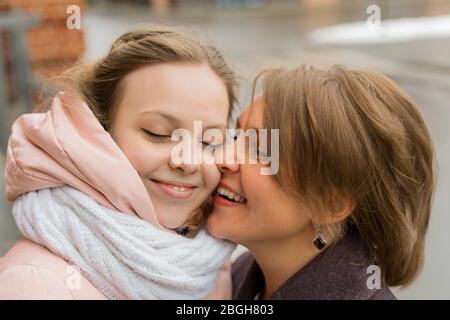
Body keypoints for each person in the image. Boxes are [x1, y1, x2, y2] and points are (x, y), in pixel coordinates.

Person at [0, 27, 237, 300]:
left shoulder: (206, 261)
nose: (189, 162)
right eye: (157, 133)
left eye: (210, 141)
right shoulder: (35, 286)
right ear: (96, 132)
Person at [207, 65, 435, 300]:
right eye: (236, 136)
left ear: (331, 204)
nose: (221, 158)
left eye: (260, 151)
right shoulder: (238, 274)